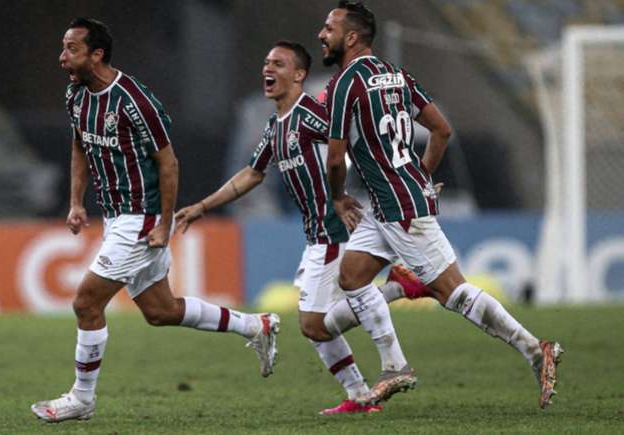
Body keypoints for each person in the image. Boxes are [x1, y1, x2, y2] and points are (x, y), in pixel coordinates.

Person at [31, 18, 280, 423]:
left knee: (86, 302)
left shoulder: (134, 101)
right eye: (63, 47)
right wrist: (76, 201)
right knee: (160, 310)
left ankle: (82, 398)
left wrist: (163, 223)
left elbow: (169, 163)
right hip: (116, 218)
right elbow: (80, 145)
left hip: (140, 219)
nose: (62, 57)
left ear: (97, 54)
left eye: (71, 48)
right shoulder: (76, 96)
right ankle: (257, 325)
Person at [318, 1, 562, 408]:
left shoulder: (346, 84)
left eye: (329, 28)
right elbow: (441, 129)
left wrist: (339, 196)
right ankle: (395, 361)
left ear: (353, 36)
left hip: (402, 209)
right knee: (352, 277)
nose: (322, 34)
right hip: (388, 204)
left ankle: (537, 349)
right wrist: (421, 177)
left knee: (454, 294)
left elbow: (334, 156)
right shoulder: (397, 76)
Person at [174, 41, 432, 415]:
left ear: (299, 75)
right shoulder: (275, 125)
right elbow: (252, 174)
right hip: (315, 234)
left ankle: (393, 297)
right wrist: (202, 206)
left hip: (336, 229)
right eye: (265, 62)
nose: (268, 68)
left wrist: (389, 180)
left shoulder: (312, 113)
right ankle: (361, 391)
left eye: (278, 63)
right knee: (316, 323)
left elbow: (353, 142)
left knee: (313, 323)